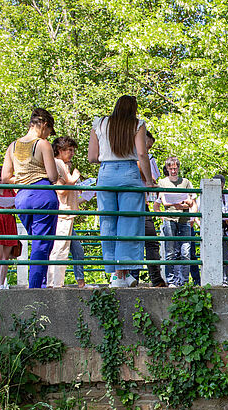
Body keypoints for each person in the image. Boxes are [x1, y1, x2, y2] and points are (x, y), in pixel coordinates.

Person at [88, 95, 155, 288]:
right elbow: (142, 154)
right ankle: (122, 273)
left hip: (106, 173)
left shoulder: (99, 123)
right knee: (129, 221)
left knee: (108, 222)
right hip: (129, 173)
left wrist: (109, 158)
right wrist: (149, 182)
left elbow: (92, 157)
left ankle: (116, 274)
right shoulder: (137, 124)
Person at [1, 108, 59, 289]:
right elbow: (53, 176)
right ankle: (36, 289)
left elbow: (5, 177)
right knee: (42, 244)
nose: (49, 135)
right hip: (42, 194)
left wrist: (22, 178)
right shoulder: (43, 144)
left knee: (36, 240)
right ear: (44, 125)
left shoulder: (13, 146)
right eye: (49, 131)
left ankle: (39, 283)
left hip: (22, 197)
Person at [47, 136, 88, 288]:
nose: (72, 153)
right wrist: (73, 180)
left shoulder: (63, 165)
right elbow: (61, 191)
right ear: (59, 150)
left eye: (72, 150)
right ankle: (55, 284)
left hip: (68, 212)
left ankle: (59, 282)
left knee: (75, 250)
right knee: (60, 249)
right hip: (62, 214)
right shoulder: (57, 164)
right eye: (69, 150)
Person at [157, 156, 196, 287]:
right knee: (170, 251)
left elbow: (192, 201)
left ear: (178, 168)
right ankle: (171, 281)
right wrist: (174, 205)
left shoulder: (186, 182)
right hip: (169, 218)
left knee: (186, 251)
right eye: (171, 168)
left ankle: (184, 281)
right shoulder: (162, 182)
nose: (173, 171)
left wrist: (189, 207)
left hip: (184, 219)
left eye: (175, 168)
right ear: (167, 169)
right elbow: (163, 201)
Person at [141, 131, 166, 287]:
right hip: (136, 204)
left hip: (143, 204)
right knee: (148, 241)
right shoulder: (136, 157)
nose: (148, 152)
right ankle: (154, 279)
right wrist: (151, 181)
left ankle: (155, 279)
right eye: (147, 147)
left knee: (150, 242)